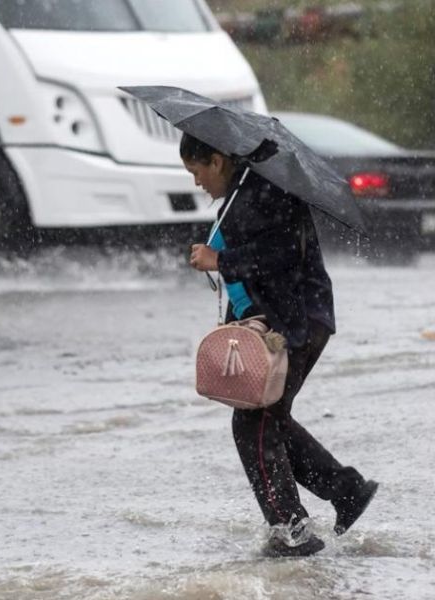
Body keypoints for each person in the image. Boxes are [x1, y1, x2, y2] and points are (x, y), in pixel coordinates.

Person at [181, 132, 378, 557]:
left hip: (295, 323)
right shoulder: (244, 193)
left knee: (254, 424)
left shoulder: (261, 191)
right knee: (270, 420)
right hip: (295, 319)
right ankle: (346, 489)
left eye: (196, 171)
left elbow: (280, 255)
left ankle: (291, 531)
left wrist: (222, 261)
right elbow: (262, 256)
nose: (197, 182)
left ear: (216, 160)